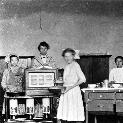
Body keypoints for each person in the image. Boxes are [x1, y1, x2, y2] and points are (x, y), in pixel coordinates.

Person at [57, 48, 86, 123]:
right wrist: (58, 81)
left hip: (73, 91)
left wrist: (70, 87)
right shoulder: (67, 66)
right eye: (65, 56)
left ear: (73, 56)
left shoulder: (76, 65)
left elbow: (82, 79)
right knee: (67, 114)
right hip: (66, 91)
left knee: (73, 114)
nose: (67, 58)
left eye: (69, 56)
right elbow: (67, 80)